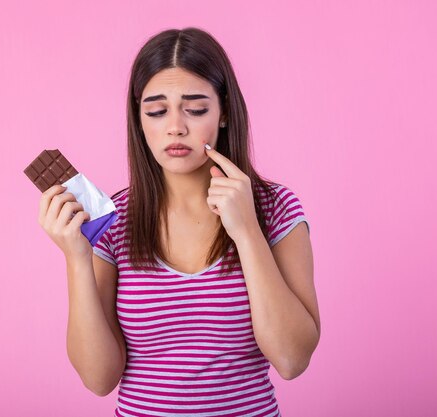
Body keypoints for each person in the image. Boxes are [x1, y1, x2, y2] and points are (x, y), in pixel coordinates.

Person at [38, 27, 320, 417]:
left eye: (196, 109)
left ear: (223, 113)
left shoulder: (275, 209)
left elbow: (292, 360)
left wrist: (247, 231)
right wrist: (76, 257)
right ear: (139, 120)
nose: (175, 127)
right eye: (156, 111)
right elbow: (98, 379)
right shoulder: (113, 222)